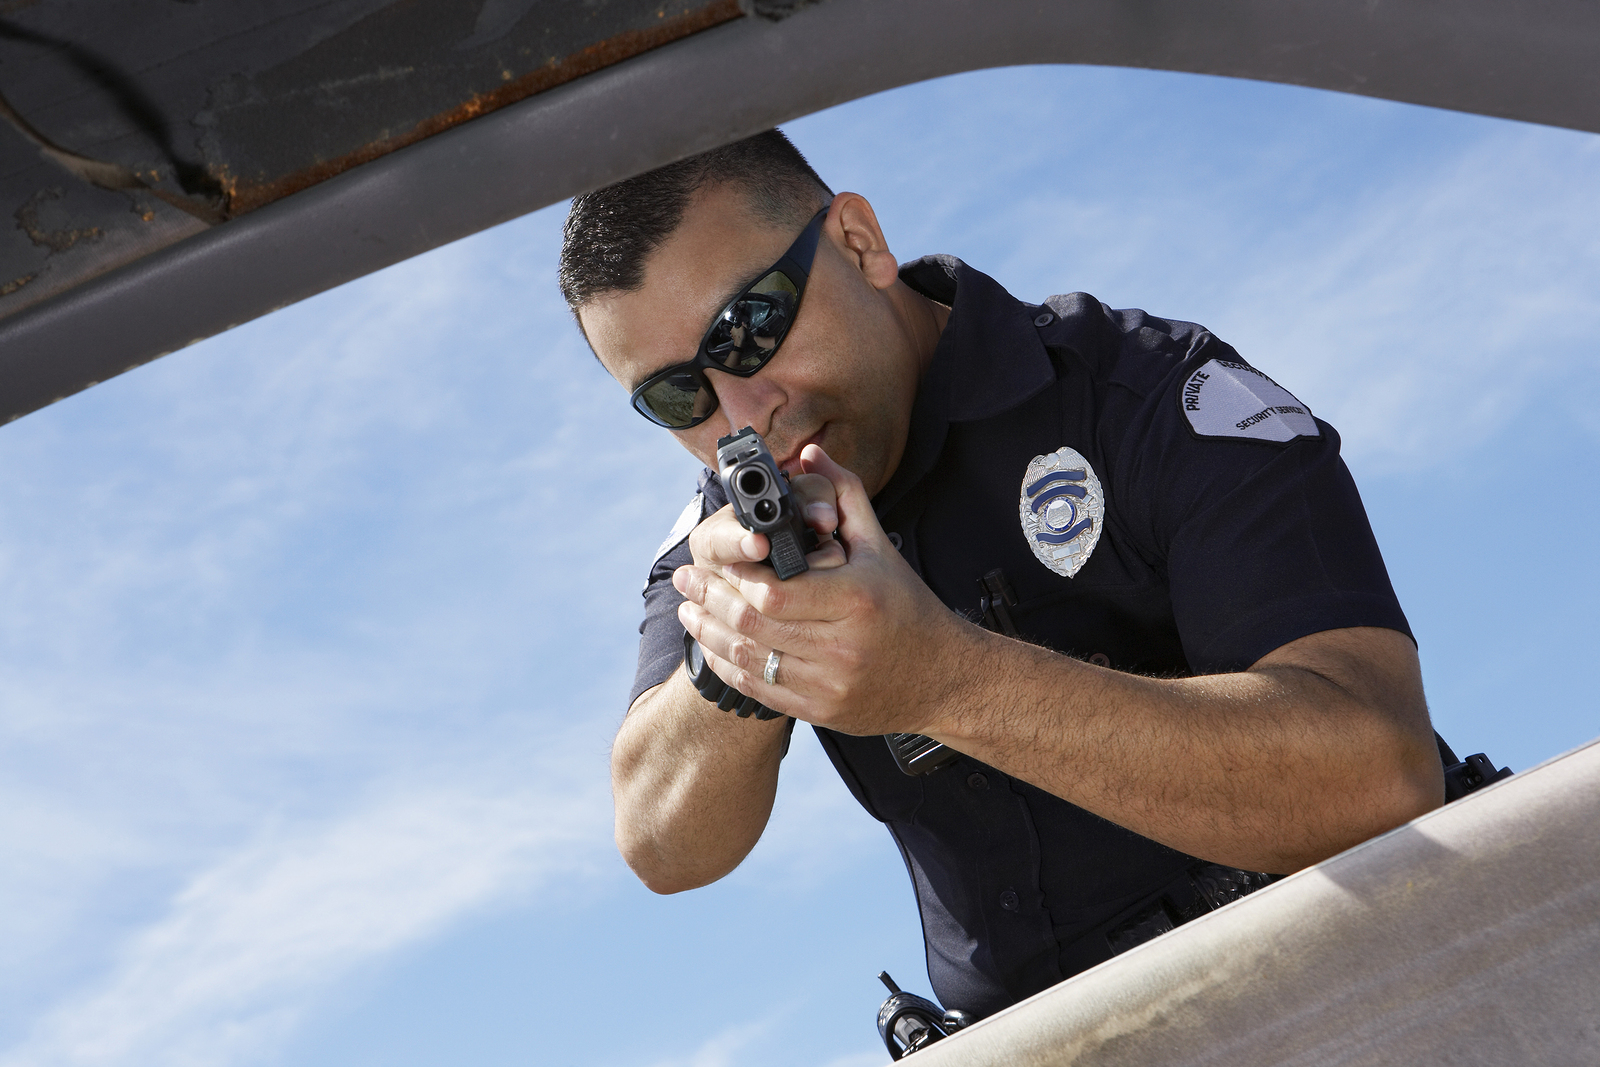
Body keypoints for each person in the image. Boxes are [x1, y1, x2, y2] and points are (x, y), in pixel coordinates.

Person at [558, 130, 1443, 1018]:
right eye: (678, 394)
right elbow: (662, 842)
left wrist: (944, 682)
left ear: (860, 242)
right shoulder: (719, 533)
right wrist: (737, 652)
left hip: (1352, 994)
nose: (743, 412)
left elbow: (1379, 774)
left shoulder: (1148, 393)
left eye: (747, 331)